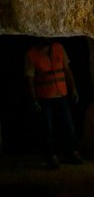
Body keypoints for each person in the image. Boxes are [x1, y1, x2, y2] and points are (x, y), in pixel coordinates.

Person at [25, 38, 83, 169]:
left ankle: (72, 153)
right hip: (44, 98)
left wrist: (73, 89)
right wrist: (33, 100)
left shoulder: (59, 48)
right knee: (47, 129)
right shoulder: (31, 54)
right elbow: (29, 80)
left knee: (68, 126)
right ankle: (51, 156)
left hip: (61, 95)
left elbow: (67, 70)